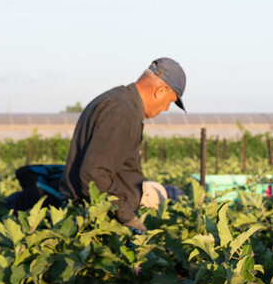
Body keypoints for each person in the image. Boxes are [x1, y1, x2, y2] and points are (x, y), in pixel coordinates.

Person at [60, 58, 186, 233]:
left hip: (99, 216)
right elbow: (95, 173)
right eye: (169, 102)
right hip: (97, 222)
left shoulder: (116, 101)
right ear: (161, 90)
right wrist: (128, 218)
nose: (166, 109)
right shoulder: (122, 113)